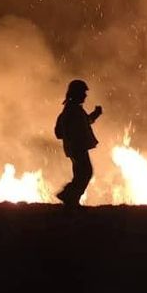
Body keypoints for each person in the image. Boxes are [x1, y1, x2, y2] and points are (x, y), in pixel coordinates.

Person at [54, 79, 103, 207]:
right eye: (83, 92)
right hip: (77, 148)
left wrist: (96, 114)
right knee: (86, 172)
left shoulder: (72, 109)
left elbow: (60, 131)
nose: (85, 95)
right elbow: (60, 131)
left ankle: (71, 199)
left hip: (75, 148)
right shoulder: (72, 110)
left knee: (81, 173)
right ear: (77, 93)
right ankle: (68, 196)